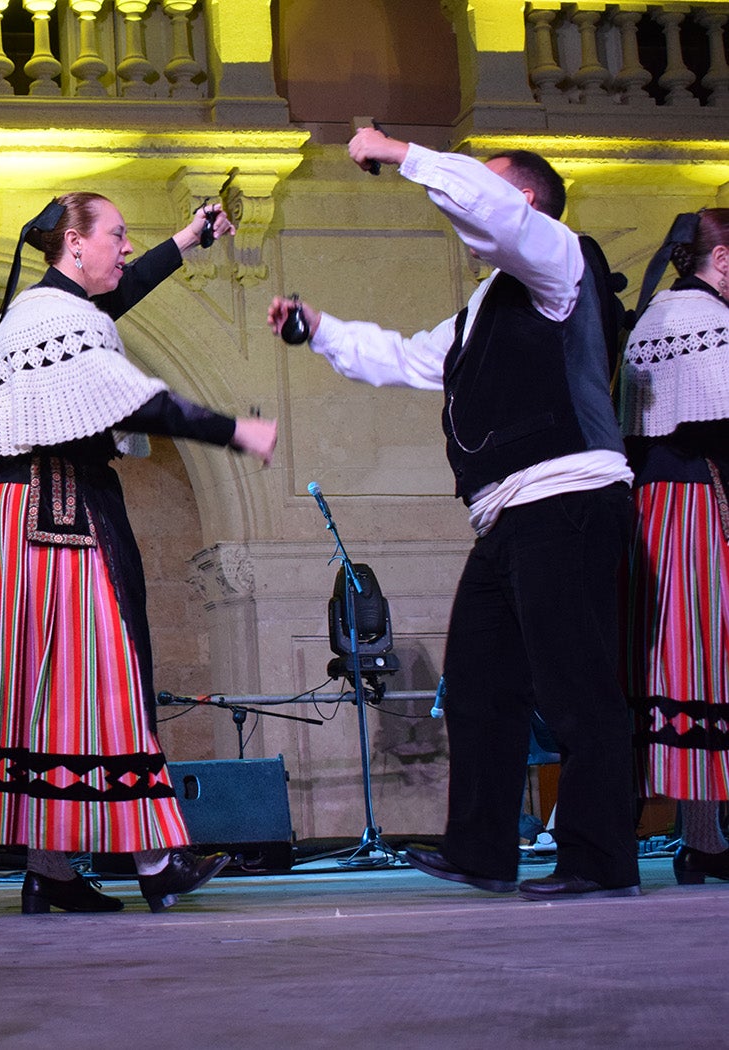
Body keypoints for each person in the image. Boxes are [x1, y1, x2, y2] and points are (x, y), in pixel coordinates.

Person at [267, 129, 640, 900]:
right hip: (506, 514)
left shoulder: (561, 259)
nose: (463, 204)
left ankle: (599, 861)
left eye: (484, 183)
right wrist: (320, 332)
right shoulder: (481, 307)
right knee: (477, 686)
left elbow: (495, 219)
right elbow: (408, 359)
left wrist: (403, 153)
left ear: (524, 200)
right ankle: (480, 851)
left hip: (568, 496)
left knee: (575, 689)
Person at [0, 192, 278, 915]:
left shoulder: (42, 312)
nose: (126, 247)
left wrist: (187, 238)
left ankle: (49, 869)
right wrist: (235, 432)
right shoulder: (61, 320)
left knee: (39, 696)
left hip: (13, 519)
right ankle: (155, 862)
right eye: (118, 234)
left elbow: (116, 295)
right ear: (73, 243)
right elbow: (136, 403)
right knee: (100, 679)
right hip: (55, 514)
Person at [617, 208, 729, 884]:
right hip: (693, 508)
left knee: (679, 663)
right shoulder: (705, 321)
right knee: (703, 658)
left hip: (657, 509)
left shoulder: (656, 315)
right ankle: (704, 839)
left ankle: (700, 838)